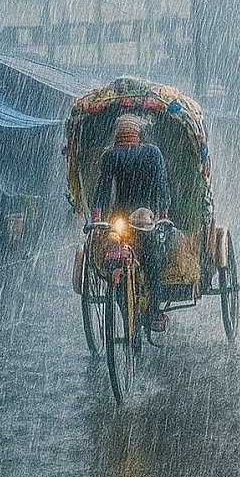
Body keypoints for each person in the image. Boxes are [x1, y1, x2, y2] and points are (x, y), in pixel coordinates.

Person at [92, 114, 173, 331]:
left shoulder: (119, 154)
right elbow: (103, 190)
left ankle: (150, 308)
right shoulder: (142, 153)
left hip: (142, 218)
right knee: (131, 261)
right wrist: (97, 219)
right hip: (134, 218)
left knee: (150, 259)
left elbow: (160, 184)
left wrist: (163, 214)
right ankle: (148, 309)